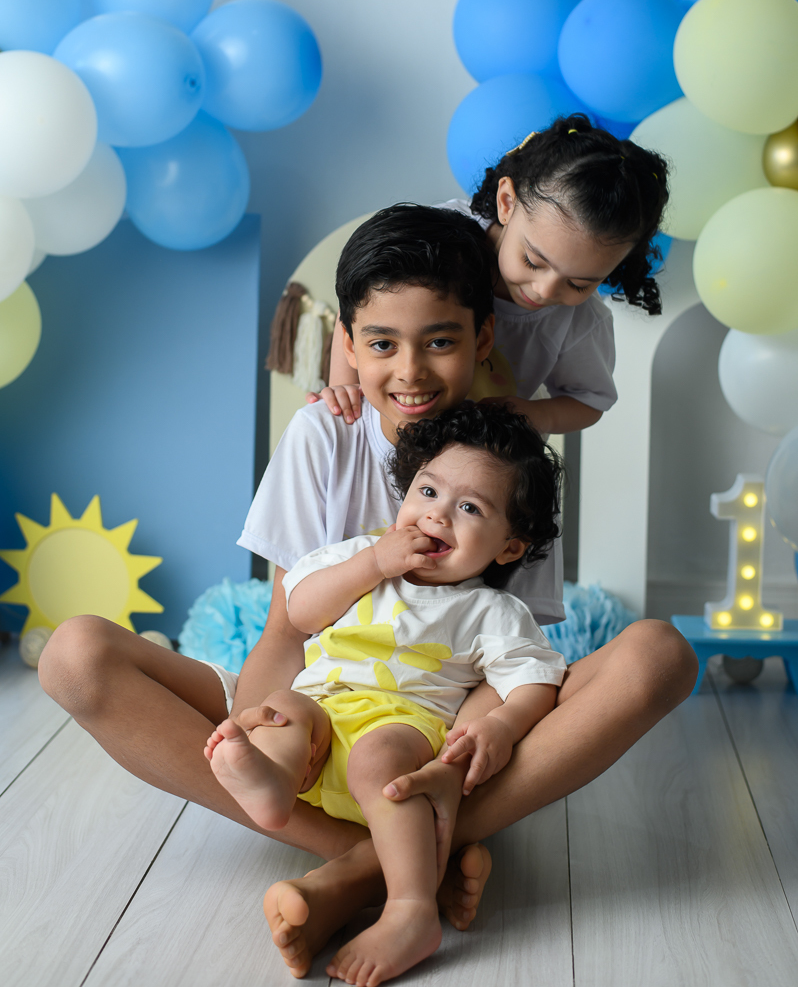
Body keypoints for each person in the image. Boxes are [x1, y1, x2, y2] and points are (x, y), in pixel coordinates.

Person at [37, 201, 697, 983]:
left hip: (431, 732)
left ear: (481, 339)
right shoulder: (324, 434)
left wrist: (452, 764)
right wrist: (263, 723)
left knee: (659, 654)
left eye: (441, 342)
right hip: (319, 701)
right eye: (381, 344)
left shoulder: (502, 470)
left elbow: (510, 664)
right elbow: (289, 627)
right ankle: (379, 857)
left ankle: (391, 851)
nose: (411, 372)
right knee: (74, 655)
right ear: (348, 345)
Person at [205, 403, 567, 985]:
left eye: (469, 508)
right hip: (321, 715)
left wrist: (498, 727)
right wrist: (373, 561)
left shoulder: (490, 610)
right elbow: (299, 611)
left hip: (402, 728)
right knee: (282, 711)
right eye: (428, 491)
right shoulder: (356, 557)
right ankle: (271, 786)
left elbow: (534, 680)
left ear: (508, 548)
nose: (438, 516)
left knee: (378, 757)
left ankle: (410, 912)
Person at [315, 112, 669, 438]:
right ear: (506, 202)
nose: (545, 290)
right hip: (391, 428)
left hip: (476, 460)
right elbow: (363, 304)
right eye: (533, 261)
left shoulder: (580, 323)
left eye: (579, 283)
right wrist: (344, 386)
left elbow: (590, 401)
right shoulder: (440, 239)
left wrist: (534, 415)